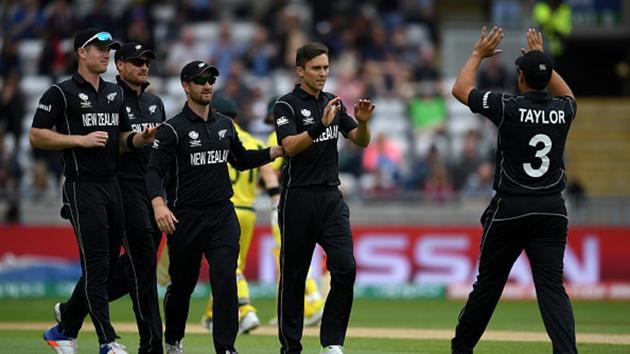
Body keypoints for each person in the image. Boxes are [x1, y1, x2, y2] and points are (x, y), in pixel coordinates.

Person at [450, 27, 578, 354]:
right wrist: (541, 61)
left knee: (489, 287)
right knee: (551, 288)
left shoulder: (508, 106)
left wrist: (478, 54)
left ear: (520, 78)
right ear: (546, 77)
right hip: (551, 210)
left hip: (511, 208)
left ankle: (461, 350)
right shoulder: (564, 111)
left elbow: (460, 89)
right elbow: (569, 95)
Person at [31, 28, 158, 354]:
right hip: (81, 185)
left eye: (108, 50)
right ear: (81, 53)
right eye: (99, 49)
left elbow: (122, 140)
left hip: (112, 185)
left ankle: (65, 327)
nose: (105, 54)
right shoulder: (60, 93)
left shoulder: (115, 94)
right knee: (99, 267)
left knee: (108, 267)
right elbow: (36, 136)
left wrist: (141, 139)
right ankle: (107, 341)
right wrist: (79, 140)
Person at [145, 60, 283, 354]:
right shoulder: (172, 129)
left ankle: (225, 348)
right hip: (185, 218)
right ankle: (173, 341)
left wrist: (273, 151)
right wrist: (159, 205)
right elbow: (153, 172)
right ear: (186, 86)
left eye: (211, 80)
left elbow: (241, 159)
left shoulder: (224, 125)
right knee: (182, 287)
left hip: (222, 215)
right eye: (200, 80)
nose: (207, 85)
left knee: (225, 280)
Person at [274, 42, 374, 354]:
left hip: (331, 197)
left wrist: (365, 122)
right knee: (294, 277)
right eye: (316, 68)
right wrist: (320, 126)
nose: (323, 73)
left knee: (345, 267)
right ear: (300, 70)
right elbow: (289, 146)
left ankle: (331, 343)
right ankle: (291, 347)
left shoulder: (333, 101)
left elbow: (359, 141)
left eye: (326, 67)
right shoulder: (286, 105)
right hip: (298, 199)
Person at [199, 96, 278, 335]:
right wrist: (276, 201)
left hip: (225, 209)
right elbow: (269, 175)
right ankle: (213, 314)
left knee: (227, 265)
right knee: (228, 266)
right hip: (250, 211)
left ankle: (246, 310)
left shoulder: (217, 136)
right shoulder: (253, 141)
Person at [265, 97, 326, 328]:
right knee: (288, 258)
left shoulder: (275, 137)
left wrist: (273, 196)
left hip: (283, 201)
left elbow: (270, 172)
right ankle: (290, 310)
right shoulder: (299, 132)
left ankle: (313, 302)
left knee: (290, 256)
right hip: (301, 199)